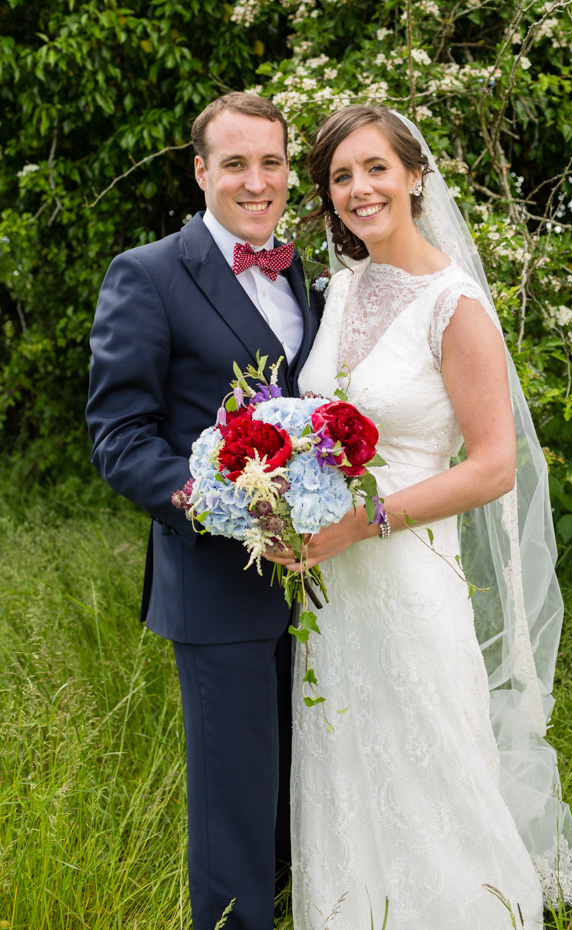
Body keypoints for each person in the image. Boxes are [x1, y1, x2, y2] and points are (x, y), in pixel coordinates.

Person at [266, 105, 572, 929]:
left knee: (434, 777)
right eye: (341, 176)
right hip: (332, 591)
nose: (359, 189)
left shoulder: (456, 305)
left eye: (375, 168)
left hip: (408, 579)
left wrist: (360, 522)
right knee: (347, 776)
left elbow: (491, 466)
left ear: (415, 176)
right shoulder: (344, 287)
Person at [85, 92, 323, 930]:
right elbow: (119, 436)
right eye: (234, 163)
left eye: (272, 162)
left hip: (329, 587)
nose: (255, 182)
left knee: (311, 804)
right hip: (219, 589)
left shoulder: (308, 275)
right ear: (201, 170)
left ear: (289, 170)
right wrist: (220, 505)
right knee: (234, 819)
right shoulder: (147, 273)